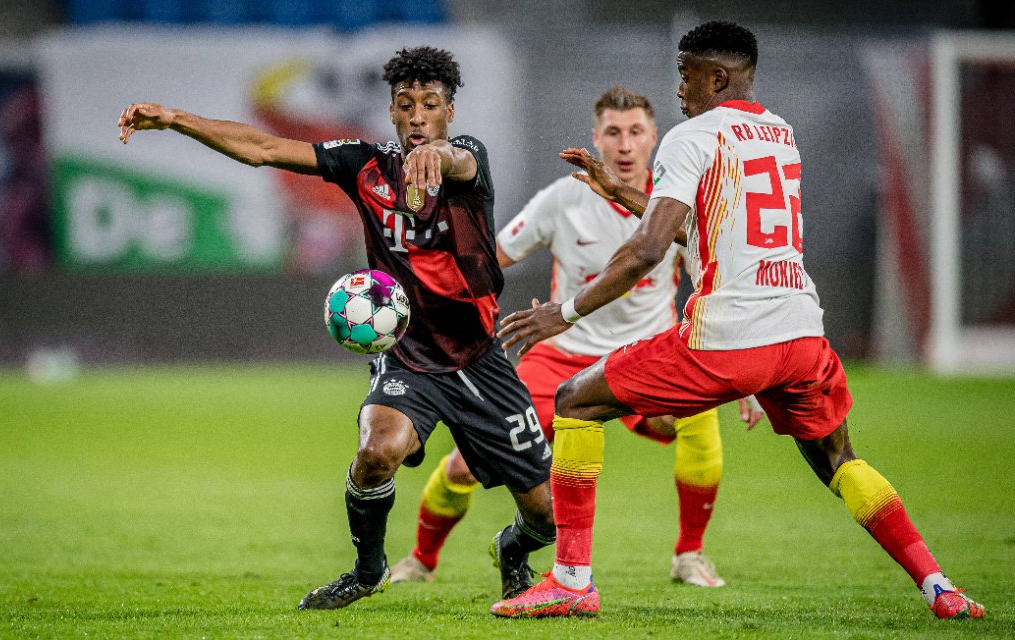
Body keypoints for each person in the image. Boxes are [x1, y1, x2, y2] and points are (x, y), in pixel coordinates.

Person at [490, 21, 985, 620]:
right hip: (801, 335)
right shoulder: (780, 134)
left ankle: (571, 582)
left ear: (717, 77)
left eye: (686, 73)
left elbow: (647, 250)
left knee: (576, 400)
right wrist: (622, 192)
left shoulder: (691, 135)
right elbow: (704, 225)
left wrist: (562, 316)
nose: (678, 88)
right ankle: (940, 587)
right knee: (839, 460)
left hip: (727, 335)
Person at [118, 46, 555, 611]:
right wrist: (178, 120)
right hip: (409, 357)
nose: (418, 115)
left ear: (449, 111)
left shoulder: (469, 157)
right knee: (376, 453)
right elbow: (265, 148)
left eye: (430, 104)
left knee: (545, 517)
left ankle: (513, 550)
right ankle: (368, 569)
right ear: (392, 113)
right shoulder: (364, 163)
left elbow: (458, 161)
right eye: (406, 105)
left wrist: (438, 157)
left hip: (479, 360)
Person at [389, 86, 764, 590]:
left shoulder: (676, 202)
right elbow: (490, 259)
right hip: (560, 355)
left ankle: (689, 555)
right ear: (596, 139)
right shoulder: (563, 198)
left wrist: (753, 376)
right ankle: (420, 559)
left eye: (635, 132)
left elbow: (724, 281)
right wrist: (434, 309)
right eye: (613, 133)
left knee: (696, 418)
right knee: (466, 465)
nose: (625, 145)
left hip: (644, 353)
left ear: (655, 138)